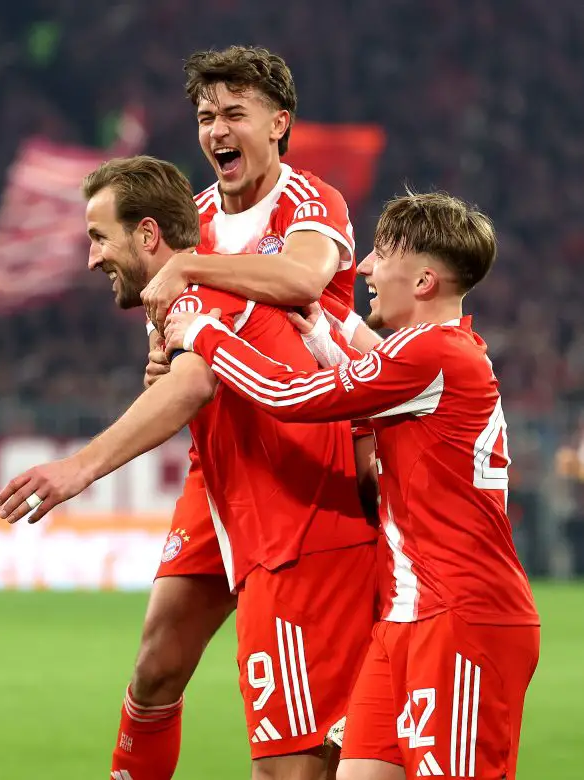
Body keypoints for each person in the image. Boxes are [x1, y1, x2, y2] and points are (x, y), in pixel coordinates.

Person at [0, 155, 378, 780]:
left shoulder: (213, 276)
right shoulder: (194, 270)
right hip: (225, 486)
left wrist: (80, 469)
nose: (92, 258)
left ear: (148, 236)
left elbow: (196, 381)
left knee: (291, 765)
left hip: (291, 511)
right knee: (156, 667)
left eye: (99, 237)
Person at [162, 191, 540, 780]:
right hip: (406, 616)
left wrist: (204, 334)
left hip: (462, 616)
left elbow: (293, 397)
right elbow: (368, 359)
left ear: (422, 282)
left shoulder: (434, 353)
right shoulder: (438, 353)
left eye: (381, 255)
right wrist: (323, 326)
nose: (362, 267)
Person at [125, 45, 377, 779]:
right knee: (154, 668)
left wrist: (190, 268)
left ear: (280, 124)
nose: (217, 130)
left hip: (301, 468)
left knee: (301, 743)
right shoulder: (193, 218)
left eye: (236, 113)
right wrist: (158, 360)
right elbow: (169, 353)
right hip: (217, 465)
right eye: (206, 116)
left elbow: (302, 279)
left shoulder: (310, 201)